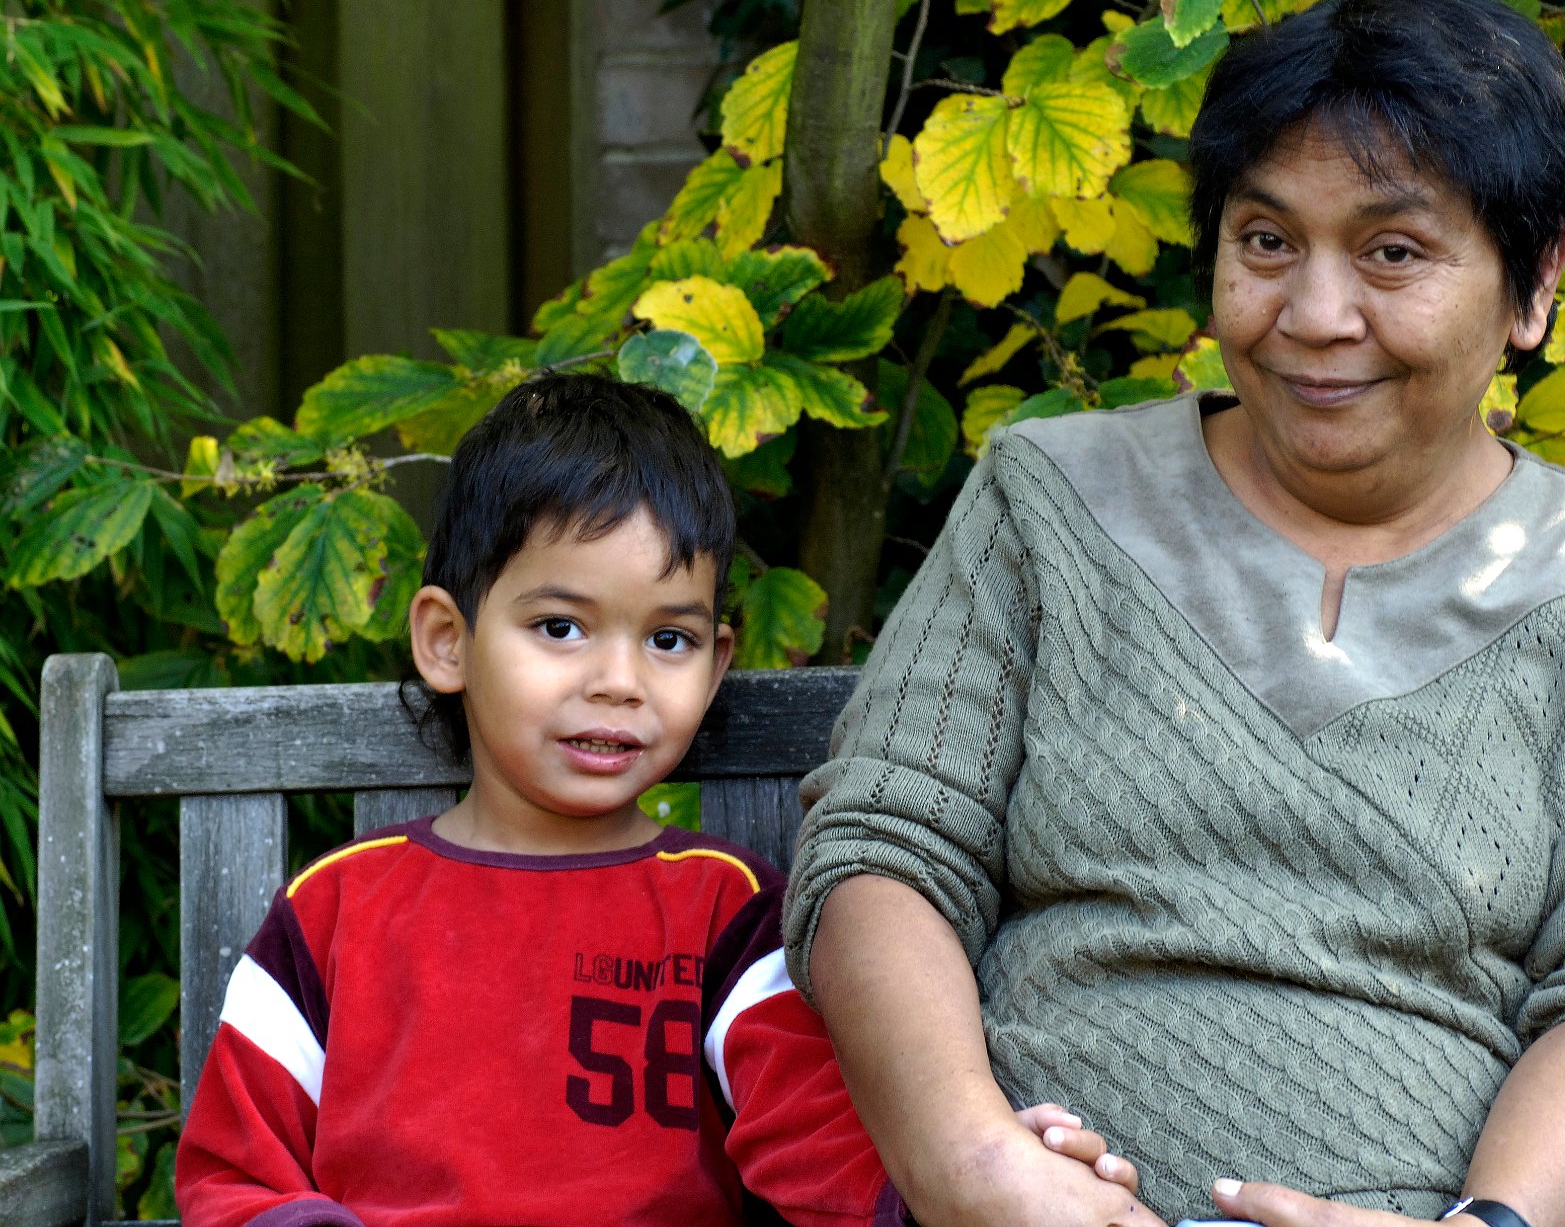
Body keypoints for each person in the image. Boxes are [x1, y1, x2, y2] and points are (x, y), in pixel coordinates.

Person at [781, 0, 1565, 1227]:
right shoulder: (1053, 499)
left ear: (1533, 286)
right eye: (1265, 242)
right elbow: (887, 849)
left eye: (1393, 252)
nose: (1314, 316)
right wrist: (973, 1165)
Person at [175, 375, 1136, 1227]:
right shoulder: (336, 910)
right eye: (561, 627)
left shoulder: (725, 915)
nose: (619, 682)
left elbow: (818, 1144)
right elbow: (233, 1172)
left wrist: (979, 1189)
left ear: (716, 664)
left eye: (667, 641)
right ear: (447, 641)